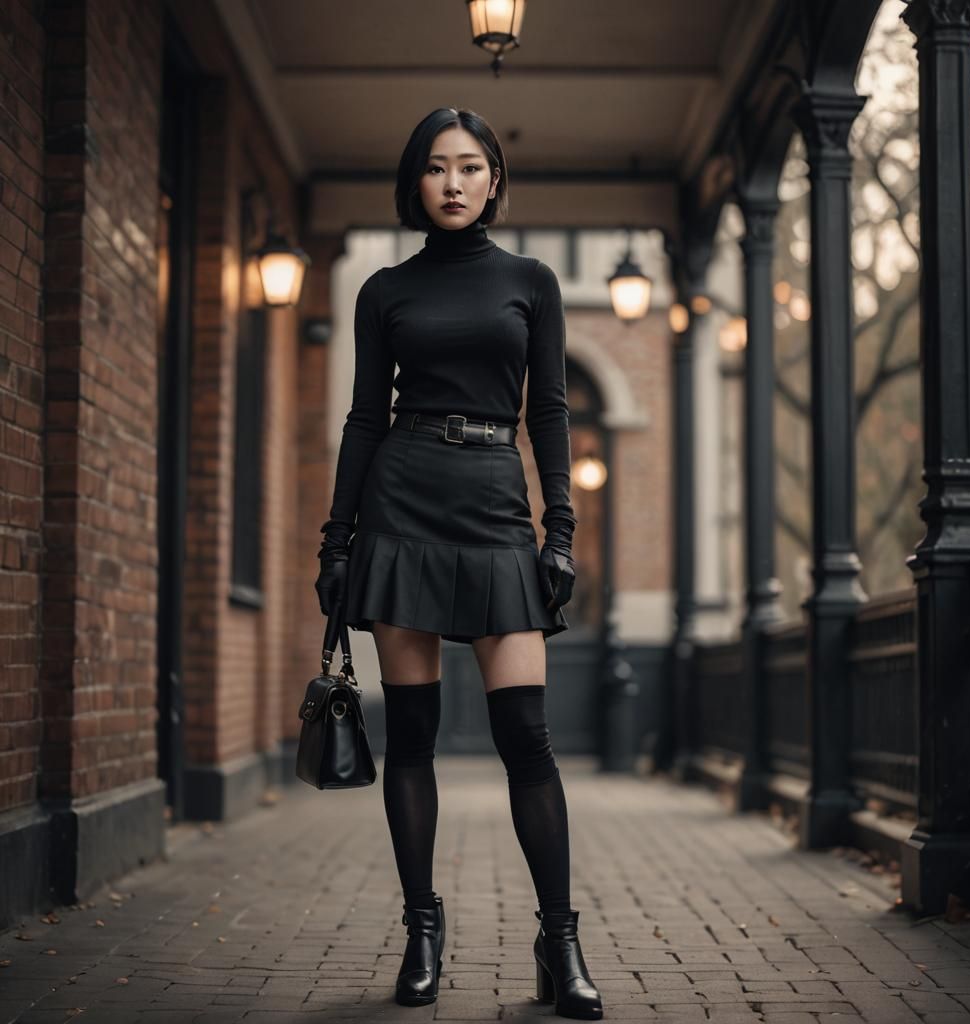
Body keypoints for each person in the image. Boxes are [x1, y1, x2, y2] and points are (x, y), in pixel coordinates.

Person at [314, 107, 602, 1021]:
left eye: (469, 167)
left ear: (493, 181)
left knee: (527, 737)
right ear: (416, 182)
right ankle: (422, 930)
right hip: (402, 499)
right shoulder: (383, 289)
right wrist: (336, 539)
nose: (452, 182)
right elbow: (364, 418)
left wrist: (560, 531)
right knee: (414, 734)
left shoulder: (532, 282)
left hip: (492, 498)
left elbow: (548, 412)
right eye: (436, 168)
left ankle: (560, 944)